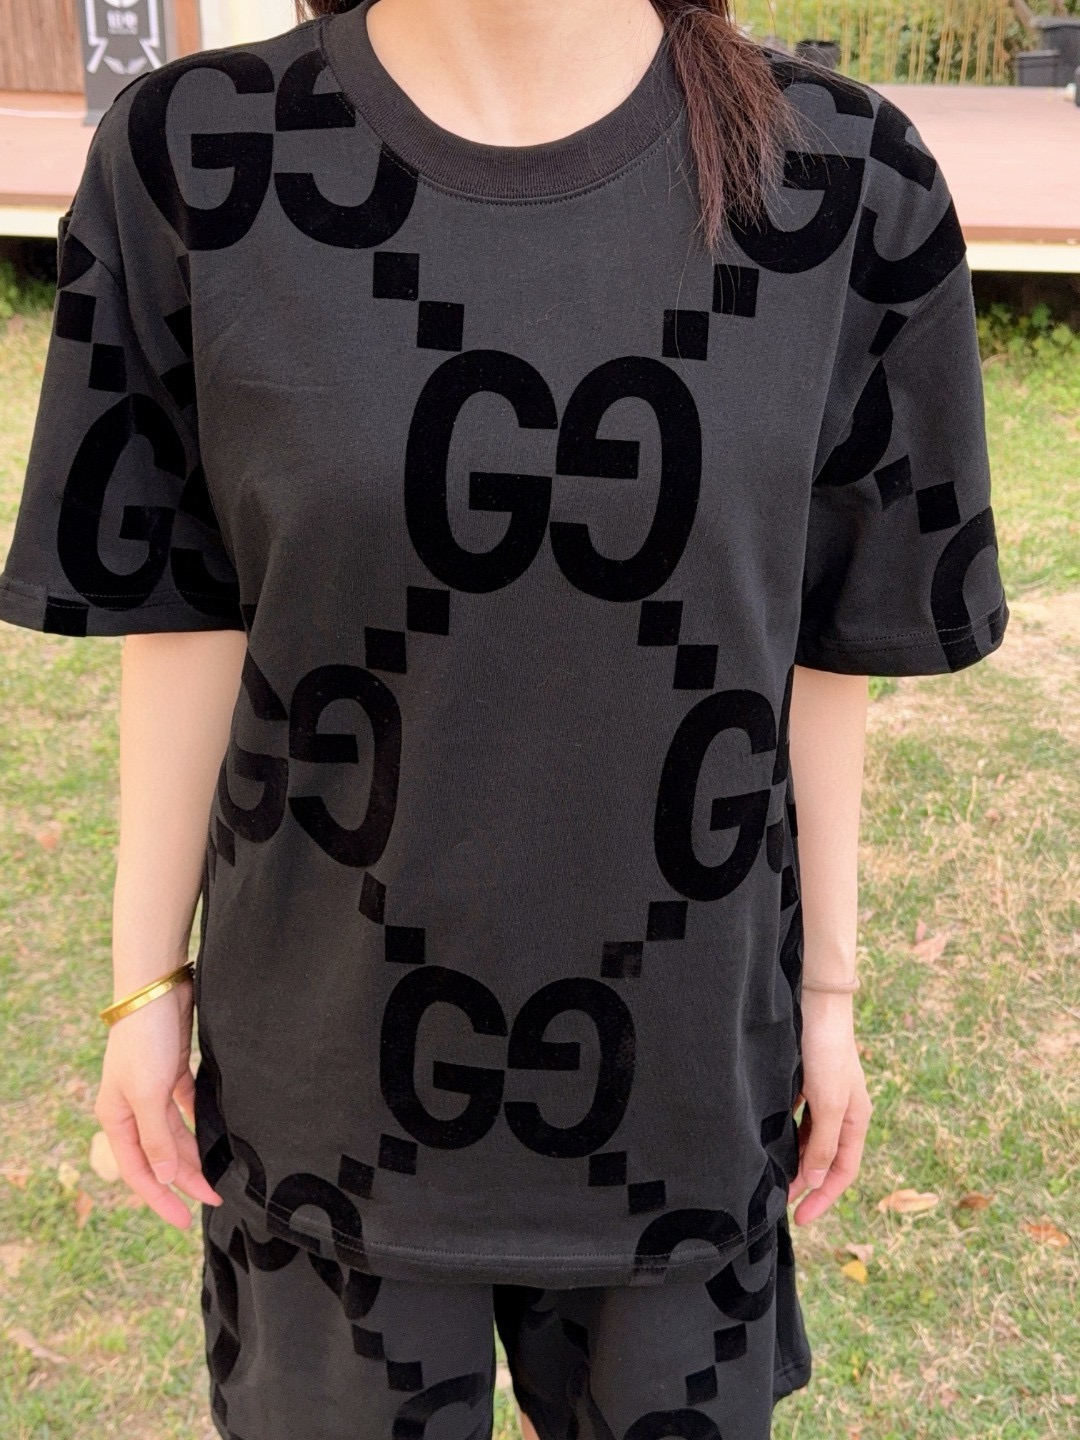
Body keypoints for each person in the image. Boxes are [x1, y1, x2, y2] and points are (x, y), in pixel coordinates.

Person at [0, 0, 1009, 1435]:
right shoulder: (197, 158)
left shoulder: (845, 184)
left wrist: (830, 1003)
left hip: (681, 1089)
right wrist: (142, 987)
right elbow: (187, 607)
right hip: (323, 1088)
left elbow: (830, 638)